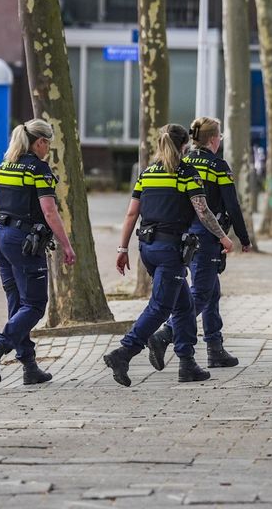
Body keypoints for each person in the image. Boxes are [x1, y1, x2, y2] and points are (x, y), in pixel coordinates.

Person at [102, 124, 233, 387]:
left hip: (147, 249)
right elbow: (203, 211)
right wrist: (223, 237)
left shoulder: (147, 173)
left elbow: (131, 214)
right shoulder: (186, 173)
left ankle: (187, 363)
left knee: (184, 306)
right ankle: (124, 352)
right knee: (161, 306)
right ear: (185, 145)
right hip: (170, 250)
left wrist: (122, 249)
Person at [0, 119, 76, 385]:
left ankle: (30, 367)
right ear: (40, 142)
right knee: (34, 305)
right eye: (48, 144)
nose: (48, 150)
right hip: (23, 241)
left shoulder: (4, 165)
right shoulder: (39, 169)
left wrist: (3, 239)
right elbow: (49, 211)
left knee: (17, 304)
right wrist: (65, 244)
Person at [147, 117, 251, 371]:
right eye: (220, 138)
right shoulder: (217, 165)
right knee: (202, 293)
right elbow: (231, 204)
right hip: (207, 236)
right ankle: (165, 334)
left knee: (211, 291)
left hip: (183, 237)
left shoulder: (182, 162)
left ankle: (215, 347)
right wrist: (243, 237)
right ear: (214, 139)